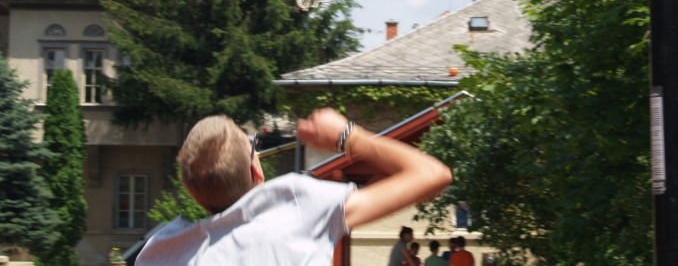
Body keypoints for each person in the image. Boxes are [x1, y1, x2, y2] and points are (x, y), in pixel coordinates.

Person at [135, 108, 452, 265]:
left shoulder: (160, 252)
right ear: (256, 169)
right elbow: (432, 174)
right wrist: (348, 136)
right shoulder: (296, 207)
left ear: (190, 188)